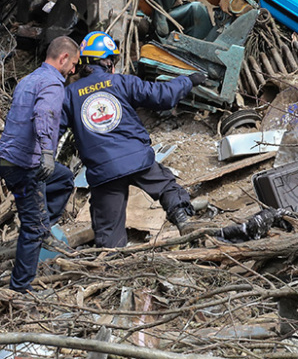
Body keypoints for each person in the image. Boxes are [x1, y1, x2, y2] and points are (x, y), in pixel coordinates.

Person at [61, 31, 206, 247]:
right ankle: (183, 219)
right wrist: (187, 81)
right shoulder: (121, 82)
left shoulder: (69, 95)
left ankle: (111, 265)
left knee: (108, 231)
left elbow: (51, 127)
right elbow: (162, 95)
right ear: (106, 61)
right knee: (166, 186)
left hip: (103, 171)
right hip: (136, 159)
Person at [0, 36, 80, 293]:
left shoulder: (28, 80)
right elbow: (45, 114)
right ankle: (19, 290)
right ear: (63, 58)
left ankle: (43, 227)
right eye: (74, 63)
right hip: (25, 165)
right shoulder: (53, 83)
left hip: (9, 161)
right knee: (32, 228)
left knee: (63, 177)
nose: (74, 70)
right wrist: (46, 151)